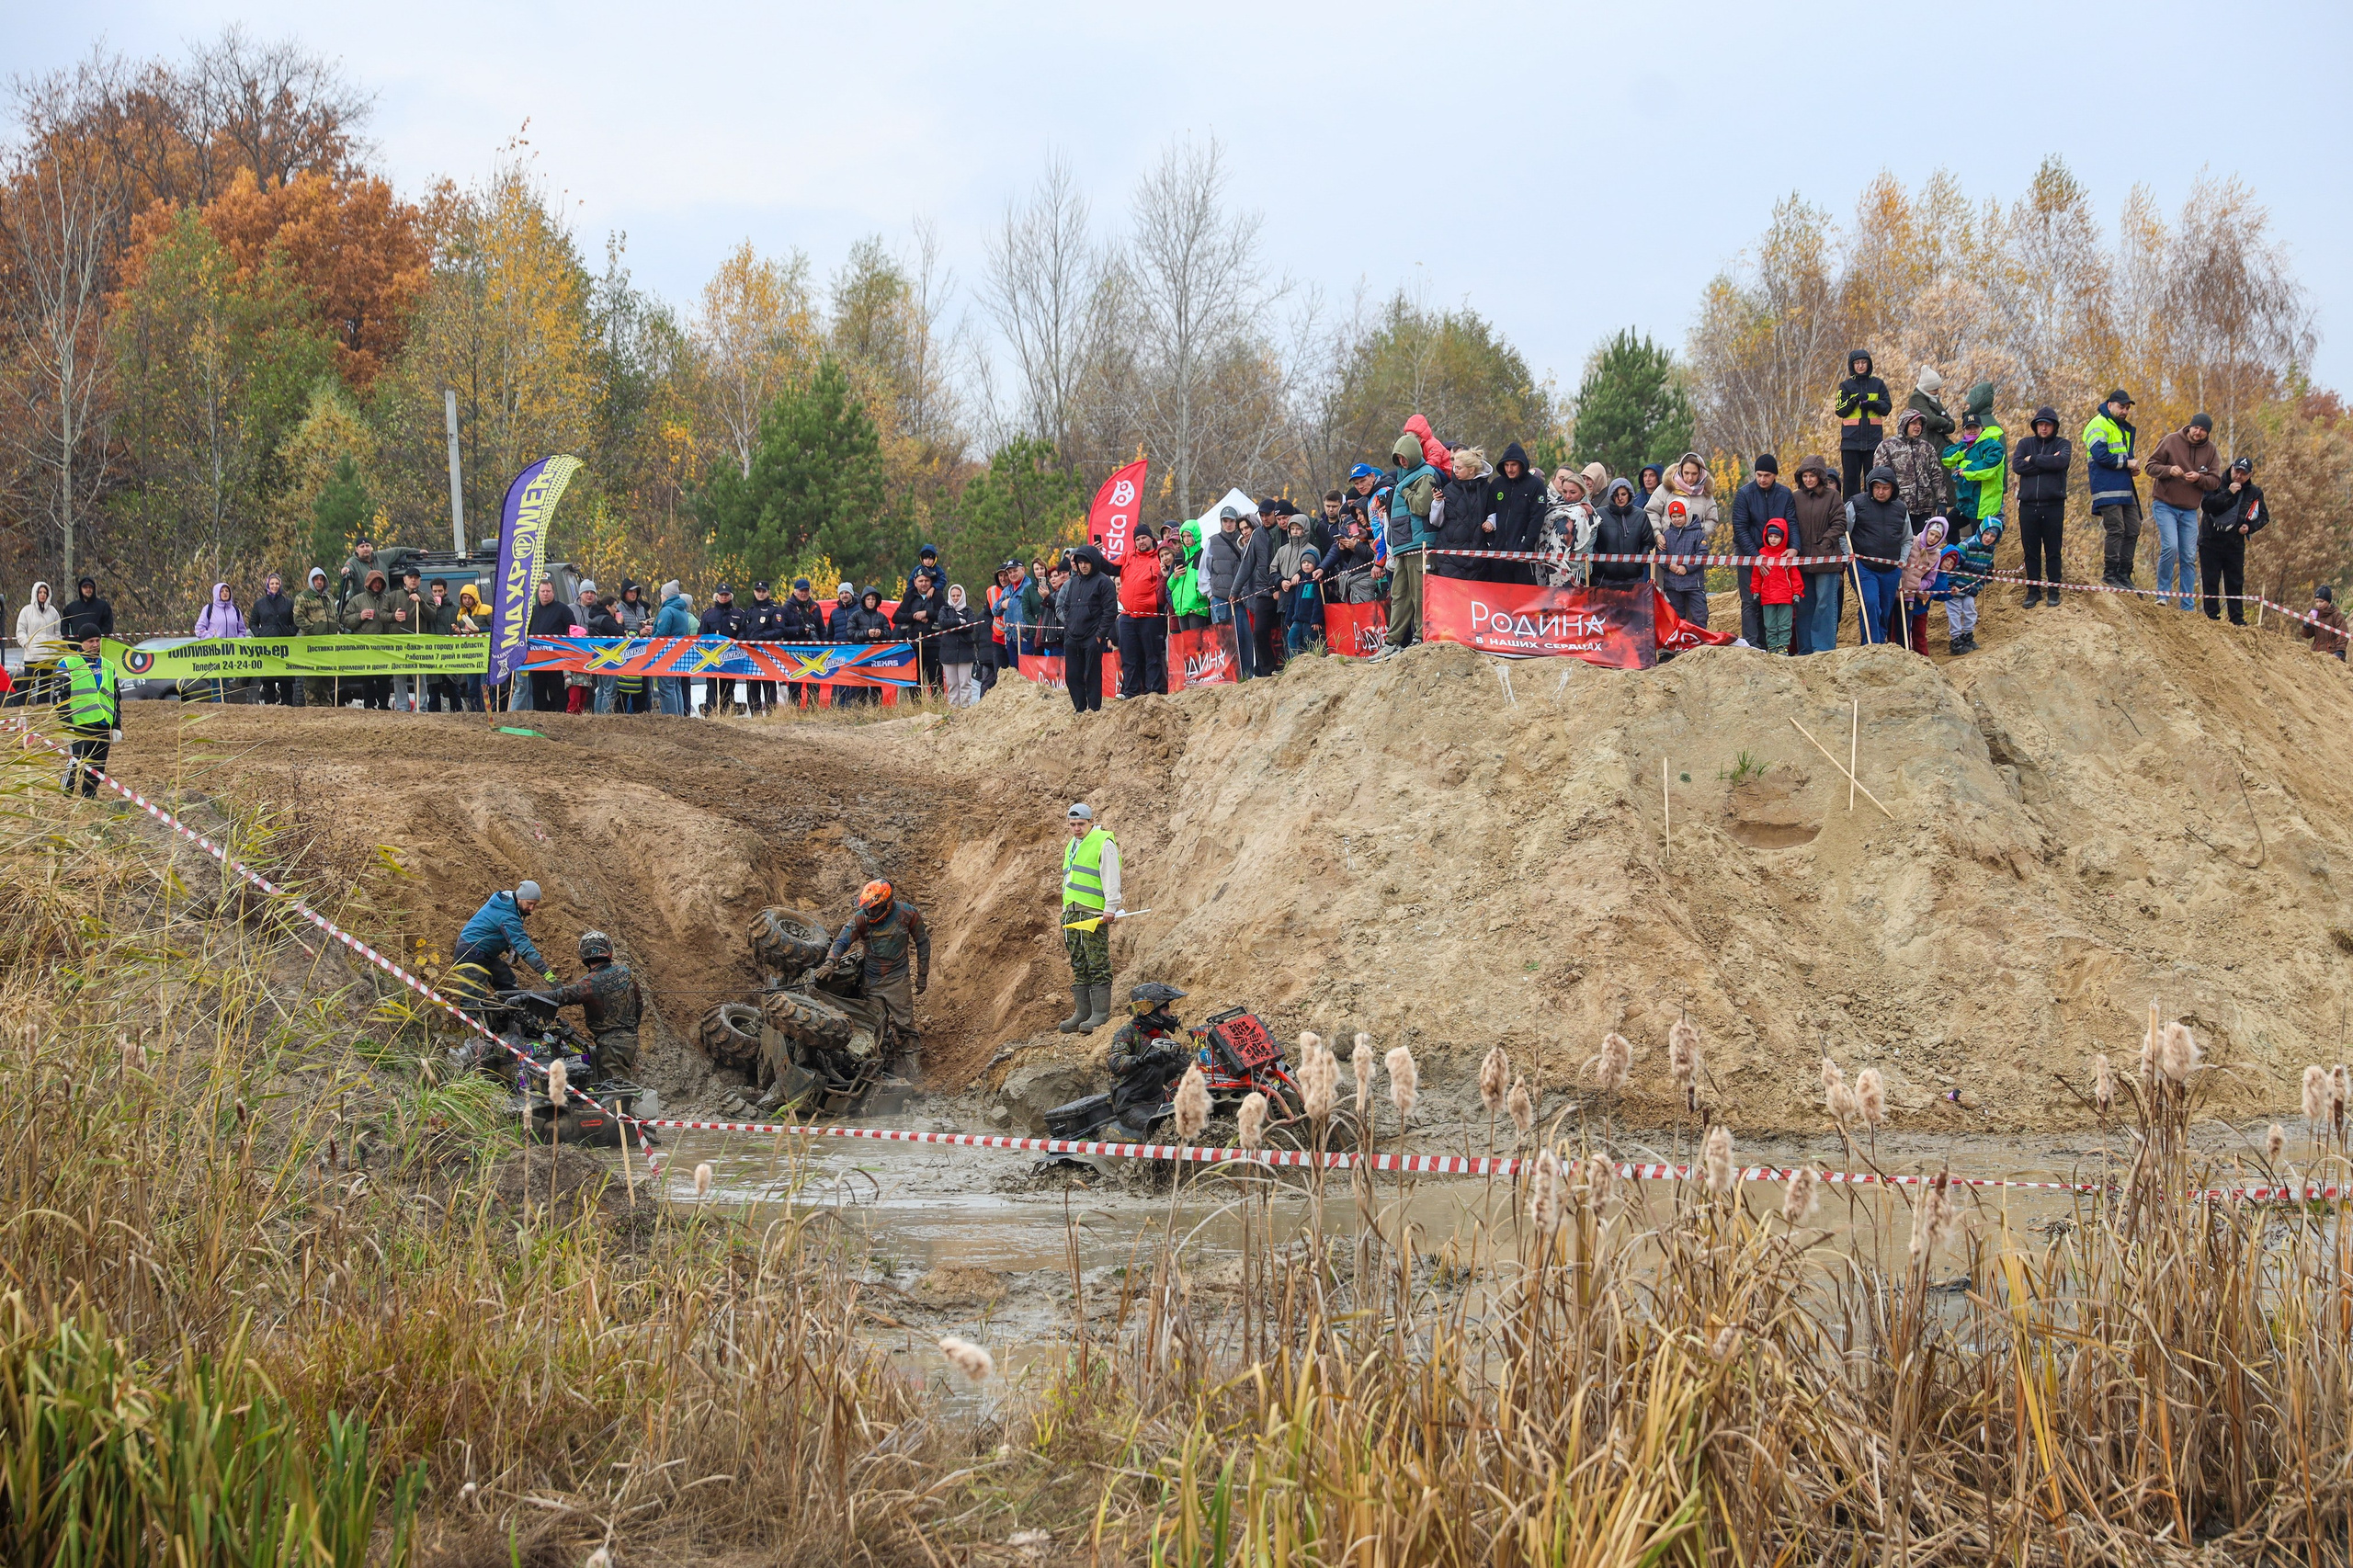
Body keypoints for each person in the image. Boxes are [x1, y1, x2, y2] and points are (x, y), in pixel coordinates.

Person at [824, 879, 930, 1046]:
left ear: (887, 904)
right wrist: (830, 961)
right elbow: (842, 940)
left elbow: (922, 941)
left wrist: (922, 974)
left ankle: (912, 1065)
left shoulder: (907, 913)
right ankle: (879, 1063)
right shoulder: (861, 918)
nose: (871, 913)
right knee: (874, 1026)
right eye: (868, 910)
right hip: (871, 981)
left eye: (875, 909)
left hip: (897, 979)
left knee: (905, 1025)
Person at [546, 929, 643, 1083]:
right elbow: (639, 1005)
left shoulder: (590, 982)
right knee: (613, 1082)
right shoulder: (626, 973)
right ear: (608, 950)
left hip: (611, 1042)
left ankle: (619, 1108)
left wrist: (527, 996)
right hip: (628, 1037)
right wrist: (631, 1031)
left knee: (616, 1089)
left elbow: (562, 995)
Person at [2146, 413, 2222, 611]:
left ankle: (2187, 604)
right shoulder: (2171, 441)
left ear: (2207, 433)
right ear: (2190, 426)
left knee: (2188, 555)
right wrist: (2169, 470)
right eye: (2196, 428)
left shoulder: (2211, 450)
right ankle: (2162, 594)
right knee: (2170, 547)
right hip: (2165, 504)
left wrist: (2199, 478)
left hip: (2189, 510)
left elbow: (2215, 481)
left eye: (2203, 430)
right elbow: (2150, 466)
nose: (2198, 432)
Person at [1057, 801, 1121, 1032]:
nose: (1076, 828)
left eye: (1080, 824)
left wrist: (1111, 907)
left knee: (1097, 962)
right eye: (1072, 824)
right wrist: (1065, 911)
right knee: (1079, 962)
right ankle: (1082, 1013)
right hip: (1072, 912)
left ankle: (1100, 1014)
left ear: (1091, 822)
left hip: (1093, 913)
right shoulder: (1072, 845)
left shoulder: (1103, 843)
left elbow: (1111, 877)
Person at [1373, 433, 1438, 660]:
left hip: (1419, 546)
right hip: (1402, 547)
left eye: (1404, 456)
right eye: (1397, 458)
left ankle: (1421, 637)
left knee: (1420, 595)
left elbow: (1421, 506)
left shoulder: (1426, 475)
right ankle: (1392, 642)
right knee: (1399, 595)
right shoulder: (1403, 479)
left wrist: (1406, 491)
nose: (1402, 461)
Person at [1102, 982, 1193, 1141]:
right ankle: (1149, 1164)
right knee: (1159, 1131)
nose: (1170, 1013)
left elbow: (1163, 1076)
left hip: (1157, 1100)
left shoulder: (1162, 1036)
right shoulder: (1128, 1033)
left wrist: (1181, 1065)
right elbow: (1115, 1062)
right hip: (1131, 1106)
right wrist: (1144, 1059)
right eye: (1165, 1009)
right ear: (1149, 1011)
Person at [1731, 455, 1797, 646]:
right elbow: (1740, 527)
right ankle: (1752, 645)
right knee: (1750, 600)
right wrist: (1756, 556)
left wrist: (1794, 548)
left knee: (1773, 600)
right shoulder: (1744, 494)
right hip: (1749, 554)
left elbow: (1791, 522)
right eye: (1759, 475)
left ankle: (1772, 645)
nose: (1762, 479)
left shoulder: (1785, 494)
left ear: (1775, 475)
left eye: (1767, 475)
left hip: (1777, 556)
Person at [2010, 406, 2072, 608]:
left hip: (2053, 505)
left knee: (2053, 550)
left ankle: (2054, 590)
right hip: (2028, 505)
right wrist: (2047, 462)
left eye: (2048, 424)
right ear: (2035, 426)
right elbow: (2018, 465)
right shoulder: (2025, 443)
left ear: (2054, 426)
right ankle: (2033, 590)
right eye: (2040, 424)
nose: (2044, 428)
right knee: (2031, 551)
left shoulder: (2063, 444)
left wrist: (2034, 459)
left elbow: (2061, 462)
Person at [2084, 391, 2144, 589]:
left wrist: (2132, 468)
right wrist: (2127, 463)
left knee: (2133, 528)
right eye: (2122, 407)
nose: (2125, 411)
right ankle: (2110, 575)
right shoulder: (2097, 424)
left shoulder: (2120, 427)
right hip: (2106, 486)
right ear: (2110, 405)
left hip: (2125, 486)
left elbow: (2124, 455)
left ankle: (2124, 574)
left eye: (2127, 408)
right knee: (2116, 529)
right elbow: (2101, 456)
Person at [2199, 457, 2269, 625]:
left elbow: (2264, 516)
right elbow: (2207, 506)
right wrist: (2228, 493)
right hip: (2210, 541)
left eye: (2243, 474)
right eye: (2237, 471)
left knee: (2235, 582)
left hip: (2235, 545)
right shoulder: (2215, 483)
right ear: (2231, 469)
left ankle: (2237, 619)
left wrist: (2249, 527)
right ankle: (2212, 618)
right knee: (2210, 581)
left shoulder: (2254, 492)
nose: (2239, 476)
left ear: (2250, 474)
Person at [1788, 456, 1847, 654]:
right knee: (1805, 606)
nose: (1808, 480)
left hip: (1827, 559)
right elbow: (1791, 524)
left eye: (1812, 475)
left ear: (1820, 476)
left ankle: (1823, 649)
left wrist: (1826, 541)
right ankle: (1805, 649)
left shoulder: (1832, 496)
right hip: (1803, 560)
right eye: (1805, 476)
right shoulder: (1796, 497)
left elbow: (1840, 522)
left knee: (1825, 604)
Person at [1847, 467, 1911, 644]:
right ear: (1870, 487)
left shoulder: (1900, 509)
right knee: (1871, 603)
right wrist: (1848, 556)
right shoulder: (1856, 504)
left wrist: (1902, 561)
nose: (1881, 492)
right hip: (1863, 565)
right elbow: (1842, 532)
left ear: (1893, 489)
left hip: (1892, 569)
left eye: (1886, 488)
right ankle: (1871, 644)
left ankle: (1880, 643)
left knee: (1885, 608)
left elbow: (1907, 539)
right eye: (1877, 487)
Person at [1649, 455, 1715, 627]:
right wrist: (1657, 533)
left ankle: (1694, 642)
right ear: (1680, 470)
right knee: (1669, 601)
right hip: (1668, 549)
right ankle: (1668, 647)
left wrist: (1696, 533)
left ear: (1701, 473)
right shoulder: (1665, 489)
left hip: (1692, 553)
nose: (1690, 478)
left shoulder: (1705, 493)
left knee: (1695, 603)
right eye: (1686, 473)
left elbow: (1712, 519)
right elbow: (1650, 512)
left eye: (1694, 474)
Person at [456, 881, 554, 993]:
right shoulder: (507, 914)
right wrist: (547, 973)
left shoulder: (508, 902)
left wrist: (508, 945)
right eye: (529, 903)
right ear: (520, 897)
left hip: (485, 952)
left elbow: (494, 927)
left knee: (507, 982)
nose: (531, 908)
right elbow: (525, 947)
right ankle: (471, 1010)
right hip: (471, 952)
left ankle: (512, 1007)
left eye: (535, 905)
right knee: (474, 996)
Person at [54, 630, 119, 797]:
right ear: (81, 642)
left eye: (98, 640)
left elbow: (116, 698)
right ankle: (65, 795)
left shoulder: (109, 665)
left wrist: (117, 725)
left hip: (103, 722)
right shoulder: (67, 664)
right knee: (74, 762)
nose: (95, 644)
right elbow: (59, 698)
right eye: (91, 641)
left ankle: (89, 795)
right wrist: (66, 725)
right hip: (79, 722)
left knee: (98, 765)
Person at [1940, 388, 2007, 540]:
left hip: (1983, 504)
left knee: (1980, 542)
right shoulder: (1965, 446)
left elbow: (1989, 467)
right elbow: (1946, 457)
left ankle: (1986, 565)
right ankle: (1955, 559)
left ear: (1981, 428)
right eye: (1968, 428)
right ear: (1964, 430)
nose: (1971, 431)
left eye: (1974, 428)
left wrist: (1966, 470)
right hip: (1966, 502)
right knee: (1947, 527)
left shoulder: (1992, 444)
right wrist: (1961, 451)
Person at [1061, 544, 1119, 712]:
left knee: (1092, 675)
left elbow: (1110, 612)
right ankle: (1080, 709)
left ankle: (1094, 710)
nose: (1083, 565)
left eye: (1087, 562)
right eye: (1080, 562)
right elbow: (1066, 607)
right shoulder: (1074, 583)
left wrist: (1099, 636)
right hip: (1072, 637)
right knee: (1072, 676)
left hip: (1092, 638)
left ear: (1094, 562)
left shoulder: (1104, 582)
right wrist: (1070, 626)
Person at [1872, 409, 1949, 534]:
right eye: (1914, 423)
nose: (1918, 427)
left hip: (1925, 508)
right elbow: (1880, 477)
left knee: (1920, 547)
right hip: (1898, 508)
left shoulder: (1927, 447)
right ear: (1904, 424)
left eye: (1920, 424)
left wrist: (1942, 501)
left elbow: (1937, 475)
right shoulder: (1887, 446)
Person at [1115, 528, 1168, 699]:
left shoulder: (1158, 557)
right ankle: (1130, 692)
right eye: (1137, 539)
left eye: (1144, 538)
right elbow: (1109, 566)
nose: (1141, 542)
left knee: (1152, 656)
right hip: (1128, 615)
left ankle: (1153, 692)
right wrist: (1095, 553)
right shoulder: (1128, 556)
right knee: (1129, 657)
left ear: (1151, 538)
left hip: (1151, 615)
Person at [1487, 441, 1551, 584]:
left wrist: (1525, 547)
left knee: (1522, 600)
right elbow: (1490, 512)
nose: (1509, 469)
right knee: (1499, 599)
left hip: (1522, 556)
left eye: (1513, 465)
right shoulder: (1497, 484)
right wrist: (1492, 542)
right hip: (1498, 555)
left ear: (1521, 464)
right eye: (1506, 465)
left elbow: (1537, 518)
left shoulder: (1535, 486)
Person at [1835, 350, 1893, 499]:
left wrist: (1872, 404)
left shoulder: (1878, 384)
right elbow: (1840, 410)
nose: (1860, 366)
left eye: (1863, 362)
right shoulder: (1846, 386)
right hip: (1850, 442)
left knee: (1873, 479)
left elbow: (1887, 407)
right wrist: (1853, 401)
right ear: (1852, 365)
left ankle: (1872, 512)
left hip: (1873, 442)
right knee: (1850, 481)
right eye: (1857, 363)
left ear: (1869, 364)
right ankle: (1849, 512)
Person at [340, 568, 398, 710]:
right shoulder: (357, 600)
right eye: (374, 582)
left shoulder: (388, 599)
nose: (377, 585)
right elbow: (344, 619)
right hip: (365, 646)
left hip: (384, 645)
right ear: (368, 583)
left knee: (384, 678)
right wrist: (360, 616)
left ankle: (384, 705)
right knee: (367, 678)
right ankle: (369, 706)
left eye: (380, 582)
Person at [1431, 446, 1489, 582]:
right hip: (1450, 557)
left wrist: (1491, 521)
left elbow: (1492, 512)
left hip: (1478, 558)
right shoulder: (1449, 490)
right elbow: (1436, 521)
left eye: (1459, 468)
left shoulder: (1486, 489)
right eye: (1454, 467)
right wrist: (1437, 503)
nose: (1454, 471)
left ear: (1471, 470)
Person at [1589, 478, 1657, 586]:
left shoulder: (1640, 515)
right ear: (1611, 496)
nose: (1620, 498)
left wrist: (1638, 563)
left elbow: (1648, 542)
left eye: (1623, 494)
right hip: (1603, 578)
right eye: (1616, 495)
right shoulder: (1599, 514)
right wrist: (1600, 563)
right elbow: (1591, 542)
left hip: (1633, 579)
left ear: (1630, 494)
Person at [1946, 516, 1997, 655]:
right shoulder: (1966, 545)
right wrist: (1950, 585)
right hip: (1955, 587)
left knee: (1970, 610)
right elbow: (1953, 564)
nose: (1988, 538)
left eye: (1992, 536)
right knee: (1955, 613)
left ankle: (1967, 636)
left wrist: (1979, 585)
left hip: (1970, 587)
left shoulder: (1990, 550)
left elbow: (1985, 569)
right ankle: (1955, 640)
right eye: (1986, 534)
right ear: (1981, 531)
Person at [1897, 518, 1949, 654]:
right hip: (1894, 591)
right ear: (1926, 531)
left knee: (1904, 628)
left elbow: (1931, 579)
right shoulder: (1912, 541)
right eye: (1931, 534)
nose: (1932, 538)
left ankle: (1905, 655)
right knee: (1892, 627)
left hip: (1909, 596)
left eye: (1937, 536)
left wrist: (1918, 586)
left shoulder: (1936, 556)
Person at [1751, 520, 1804, 654]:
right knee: (1770, 625)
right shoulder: (1761, 554)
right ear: (1766, 536)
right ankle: (1772, 647)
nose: (1773, 539)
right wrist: (1755, 591)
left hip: (1785, 596)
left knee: (1785, 625)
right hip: (1767, 596)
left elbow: (1794, 575)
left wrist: (1797, 592)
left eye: (1776, 537)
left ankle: (1783, 647)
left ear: (1783, 537)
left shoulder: (1787, 555)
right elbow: (1757, 576)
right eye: (1771, 536)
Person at [246, 574, 300, 705]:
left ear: (280, 585)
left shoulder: (288, 603)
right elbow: (252, 622)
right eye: (272, 583)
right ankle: (270, 708)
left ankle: (287, 707)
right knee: (268, 682)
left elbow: (295, 622)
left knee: (286, 682)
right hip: (267, 647)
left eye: (277, 583)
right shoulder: (260, 604)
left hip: (285, 648)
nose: (274, 586)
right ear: (267, 585)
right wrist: (259, 634)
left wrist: (290, 633)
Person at [191, 582, 246, 703]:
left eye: (227, 591)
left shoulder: (236, 611)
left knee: (226, 678)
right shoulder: (209, 609)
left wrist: (237, 641)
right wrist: (212, 638)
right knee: (217, 678)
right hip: (215, 651)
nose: (225, 593)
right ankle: (217, 704)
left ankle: (225, 703)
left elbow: (242, 630)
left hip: (230, 651)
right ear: (217, 593)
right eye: (222, 591)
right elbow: (199, 629)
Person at [775, 578, 825, 708]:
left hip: (814, 651)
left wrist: (825, 645)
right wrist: (800, 630)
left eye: (806, 590)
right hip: (794, 652)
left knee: (814, 684)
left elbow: (821, 629)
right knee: (795, 685)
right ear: (795, 592)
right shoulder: (786, 608)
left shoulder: (815, 607)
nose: (804, 593)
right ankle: (794, 710)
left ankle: (813, 710)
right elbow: (782, 630)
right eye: (801, 591)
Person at [738, 581, 787, 715]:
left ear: (768, 592)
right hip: (751, 654)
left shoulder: (774, 610)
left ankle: (771, 714)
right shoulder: (749, 611)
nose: (760, 594)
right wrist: (741, 639)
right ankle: (756, 714)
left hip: (767, 654)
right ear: (754, 592)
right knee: (752, 686)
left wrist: (762, 637)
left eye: (763, 591)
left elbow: (779, 630)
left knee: (769, 685)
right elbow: (743, 629)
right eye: (758, 591)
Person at [294, 568, 339, 708]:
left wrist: (336, 628)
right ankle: (312, 703)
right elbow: (298, 618)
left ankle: (326, 703)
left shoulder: (330, 598)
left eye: (321, 579)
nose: (319, 582)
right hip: (312, 643)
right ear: (312, 580)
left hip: (329, 642)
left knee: (327, 676)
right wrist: (313, 629)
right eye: (316, 579)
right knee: (312, 676)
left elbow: (335, 615)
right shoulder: (303, 597)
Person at [698, 584, 745, 714]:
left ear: (730, 596)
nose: (724, 597)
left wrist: (737, 640)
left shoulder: (739, 614)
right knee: (712, 688)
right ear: (717, 596)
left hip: (731, 658)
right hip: (712, 660)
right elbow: (701, 635)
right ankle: (710, 713)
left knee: (729, 689)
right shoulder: (708, 614)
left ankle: (726, 714)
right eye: (721, 595)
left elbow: (743, 632)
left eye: (726, 595)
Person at [12, 581, 63, 705]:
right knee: (28, 682)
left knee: (45, 684)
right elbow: (20, 631)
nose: (43, 595)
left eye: (45, 592)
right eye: (40, 592)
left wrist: (56, 647)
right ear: (35, 593)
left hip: (48, 655)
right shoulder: (26, 611)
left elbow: (57, 632)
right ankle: (18, 705)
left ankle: (43, 707)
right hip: (32, 654)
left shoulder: (53, 612)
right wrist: (27, 644)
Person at [525, 578, 571, 712]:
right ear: (538, 593)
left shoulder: (563, 609)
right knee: (538, 691)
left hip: (555, 658)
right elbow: (526, 632)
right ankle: (539, 714)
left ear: (553, 592)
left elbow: (573, 630)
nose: (545, 594)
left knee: (558, 690)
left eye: (548, 591)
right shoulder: (532, 611)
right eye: (542, 591)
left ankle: (561, 714)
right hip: (536, 660)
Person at [652, 580, 697, 715]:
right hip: (678, 653)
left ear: (666, 595)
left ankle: (671, 718)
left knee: (666, 688)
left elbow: (662, 633)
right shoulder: (682, 611)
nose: (661, 597)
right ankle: (679, 716)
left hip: (666, 654)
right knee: (676, 687)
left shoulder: (667, 611)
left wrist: (652, 636)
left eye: (662, 594)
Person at [935, 585, 983, 706]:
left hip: (965, 652)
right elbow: (943, 623)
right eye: (953, 595)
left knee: (965, 683)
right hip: (948, 652)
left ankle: (965, 707)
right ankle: (954, 708)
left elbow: (970, 627)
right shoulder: (944, 609)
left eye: (958, 595)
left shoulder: (968, 610)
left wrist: (954, 627)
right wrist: (960, 622)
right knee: (952, 684)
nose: (956, 598)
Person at [389, 567, 428, 711]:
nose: (413, 580)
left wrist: (421, 603)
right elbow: (381, 615)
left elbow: (432, 616)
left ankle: (421, 708)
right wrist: (393, 616)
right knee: (399, 677)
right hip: (399, 644)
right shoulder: (393, 596)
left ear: (419, 580)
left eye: (416, 578)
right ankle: (402, 707)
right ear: (404, 579)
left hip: (418, 644)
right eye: (410, 577)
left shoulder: (425, 596)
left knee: (420, 677)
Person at [1906, 365, 1955, 444]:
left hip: (1940, 442)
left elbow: (1952, 426)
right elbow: (1931, 420)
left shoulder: (1933, 398)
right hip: (1928, 443)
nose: (1937, 392)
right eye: (1935, 389)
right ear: (1927, 388)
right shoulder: (1916, 398)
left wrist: (1940, 428)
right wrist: (1946, 423)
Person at [2301, 586, 2347, 659]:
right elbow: (2307, 636)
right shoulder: (2315, 614)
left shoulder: (2336, 615)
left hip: (2332, 653)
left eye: (2321, 601)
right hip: (2316, 653)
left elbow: (2343, 634)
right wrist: (2307, 624)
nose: (2319, 604)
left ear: (2328, 601)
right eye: (2317, 601)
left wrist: (2340, 652)